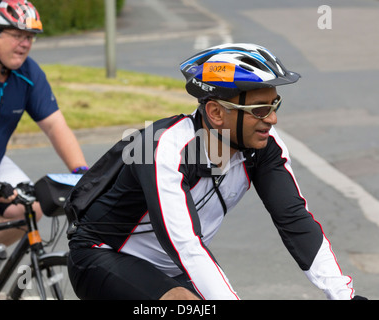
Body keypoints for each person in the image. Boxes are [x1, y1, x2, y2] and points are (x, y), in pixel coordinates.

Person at [66, 43, 365, 300]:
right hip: (103, 255)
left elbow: (294, 220)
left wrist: (342, 293)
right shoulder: (165, 148)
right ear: (216, 113)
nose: (272, 118)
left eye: (275, 104)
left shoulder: (264, 147)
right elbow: (187, 245)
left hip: (171, 268)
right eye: (259, 109)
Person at [0, 0, 88, 269]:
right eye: (17, 35)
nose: (25, 44)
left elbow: (55, 125)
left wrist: (83, 173)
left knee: (30, 208)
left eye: (30, 37)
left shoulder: (28, 72)